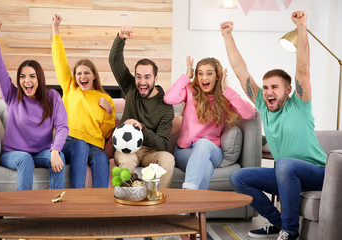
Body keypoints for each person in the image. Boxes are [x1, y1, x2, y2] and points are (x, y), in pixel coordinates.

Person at [221, 11, 326, 240]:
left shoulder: (299, 104)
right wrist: (227, 35)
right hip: (286, 174)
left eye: (274, 87)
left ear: (288, 90)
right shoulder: (262, 102)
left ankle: (290, 231)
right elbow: (241, 71)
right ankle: (278, 224)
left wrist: (301, 27)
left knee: (285, 164)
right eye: (265, 87)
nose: (268, 91)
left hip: (319, 173)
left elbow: (303, 68)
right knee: (238, 178)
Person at [0, 19, 68, 191]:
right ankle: (25, 211)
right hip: (12, 154)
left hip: (41, 153)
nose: (27, 81)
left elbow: (62, 127)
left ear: (39, 78)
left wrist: (55, 151)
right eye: (22, 77)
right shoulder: (12, 95)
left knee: (59, 155)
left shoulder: (52, 96)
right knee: (25, 159)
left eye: (32, 76)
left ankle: (56, 206)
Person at [164, 56, 255, 190]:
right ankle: (197, 210)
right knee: (205, 169)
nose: (203, 77)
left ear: (217, 77)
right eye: (200, 73)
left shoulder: (224, 98)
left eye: (209, 73)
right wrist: (186, 76)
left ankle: (187, 194)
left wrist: (227, 91)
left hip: (213, 151)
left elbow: (250, 113)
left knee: (204, 143)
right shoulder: (190, 91)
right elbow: (169, 98)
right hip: (185, 150)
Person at [51, 14, 116, 188]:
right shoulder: (70, 87)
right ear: (75, 77)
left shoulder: (106, 99)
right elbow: (60, 61)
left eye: (86, 73)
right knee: (80, 145)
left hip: (94, 144)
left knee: (101, 157)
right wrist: (55, 32)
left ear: (94, 76)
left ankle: (101, 204)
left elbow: (105, 133)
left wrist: (109, 111)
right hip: (70, 141)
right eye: (79, 73)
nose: (82, 76)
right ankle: (76, 198)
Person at [108, 25, 175, 189]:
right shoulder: (131, 88)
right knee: (126, 160)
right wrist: (120, 38)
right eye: (138, 77)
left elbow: (163, 145)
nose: (142, 82)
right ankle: (129, 201)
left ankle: (157, 202)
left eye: (147, 77)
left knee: (168, 158)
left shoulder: (166, 105)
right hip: (128, 149)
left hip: (151, 152)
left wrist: (142, 128)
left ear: (155, 78)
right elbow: (114, 61)